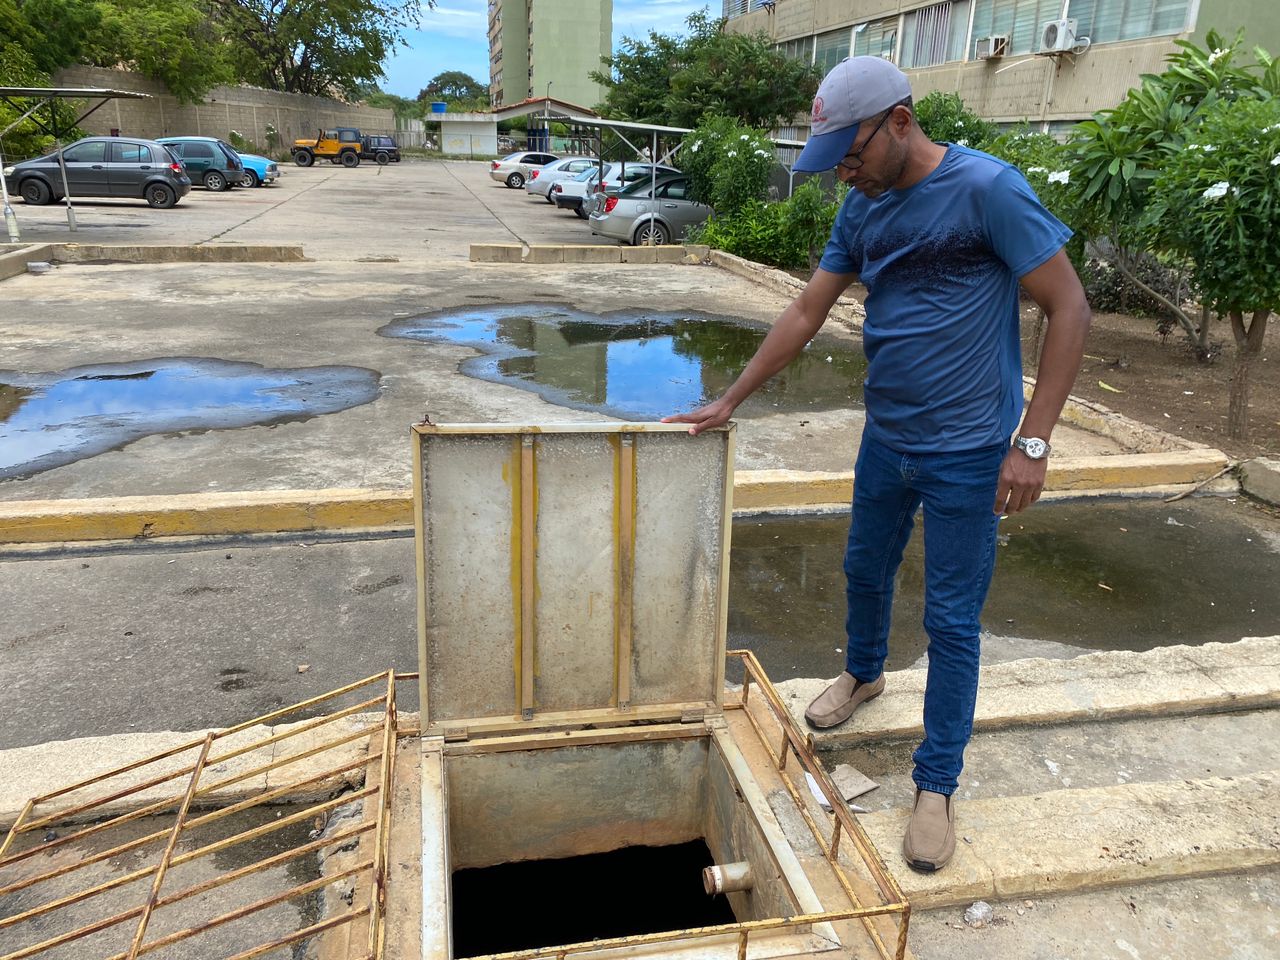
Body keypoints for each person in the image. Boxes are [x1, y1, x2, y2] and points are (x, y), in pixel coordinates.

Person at [663, 57, 1090, 873]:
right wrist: (731, 399)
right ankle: (863, 676)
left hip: (971, 449)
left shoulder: (988, 191)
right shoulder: (864, 208)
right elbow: (805, 308)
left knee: (952, 620)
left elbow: (1069, 306)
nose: (845, 175)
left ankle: (937, 783)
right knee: (863, 568)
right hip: (886, 438)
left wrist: (1032, 442)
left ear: (899, 121)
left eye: (850, 156)